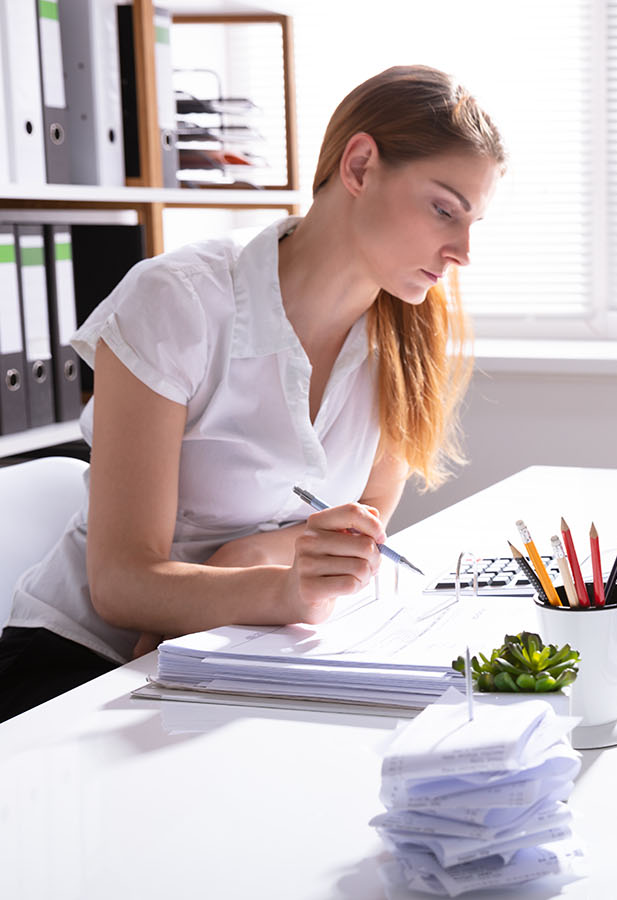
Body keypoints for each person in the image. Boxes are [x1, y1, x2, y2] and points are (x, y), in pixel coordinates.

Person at [0, 65, 505, 722]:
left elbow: (361, 535)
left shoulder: (406, 343)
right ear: (358, 166)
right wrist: (279, 589)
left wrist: (247, 559)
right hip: (82, 665)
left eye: (475, 223)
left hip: (231, 653)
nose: (462, 251)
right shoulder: (179, 301)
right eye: (444, 209)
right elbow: (122, 585)